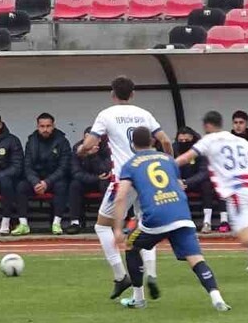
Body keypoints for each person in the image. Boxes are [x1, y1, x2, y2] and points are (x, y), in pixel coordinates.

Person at [75, 75, 175, 298]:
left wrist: (81, 151)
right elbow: (166, 141)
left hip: (125, 179)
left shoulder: (106, 114)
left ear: (112, 94)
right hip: (148, 178)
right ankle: (151, 274)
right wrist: (170, 165)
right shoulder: (144, 114)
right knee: (146, 227)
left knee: (102, 226)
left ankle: (121, 276)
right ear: (133, 94)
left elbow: (90, 143)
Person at [112, 126, 230, 312]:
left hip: (156, 216)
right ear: (152, 141)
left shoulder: (130, 165)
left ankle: (138, 298)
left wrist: (118, 229)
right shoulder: (168, 159)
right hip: (181, 213)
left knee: (131, 246)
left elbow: (120, 197)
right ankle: (217, 298)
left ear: (133, 144)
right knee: (196, 258)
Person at [176, 111, 248, 278]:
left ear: (207, 126)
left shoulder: (209, 140)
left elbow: (185, 158)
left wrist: (165, 165)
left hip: (237, 193)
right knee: (247, 229)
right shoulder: (238, 140)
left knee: (244, 236)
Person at [23, 113, 73, 235]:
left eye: (48, 126)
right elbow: (27, 166)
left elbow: (64, 167)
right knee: (20, 186)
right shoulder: (31, 141)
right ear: (37, 126)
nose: (45, 129)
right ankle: (23, 223)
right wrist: (35, 182)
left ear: (53, 126)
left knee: (62, 186)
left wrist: (47, 182)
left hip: (54, 179)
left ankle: (57, 222)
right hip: (36, 179)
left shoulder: (62, 141)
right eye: (42, 126)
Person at [175, 126, 224, 233]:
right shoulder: (174, 149)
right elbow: (170, 167)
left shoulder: (200, 149)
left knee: (207, 184)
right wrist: (177, 181)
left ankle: (207, 222)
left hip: (195, 182)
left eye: (186, 140)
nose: (183, 143)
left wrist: (186, 182)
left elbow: (204, 172)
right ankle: (178, 222)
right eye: (181, 140)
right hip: (178, 183)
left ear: (192, 139)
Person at [64, 126, 113, 234]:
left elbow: (106, 170)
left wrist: (94, 156)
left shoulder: (106, 148)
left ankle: (107, 222)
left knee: (107, 185)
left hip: (102, 181)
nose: (91, 141)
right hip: (86, 180)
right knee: (74, 185)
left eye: (95, 138)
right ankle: (75, 222)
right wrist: (95, 178)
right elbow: (76, 173)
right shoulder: (77, 148)